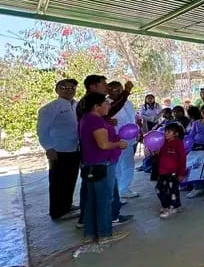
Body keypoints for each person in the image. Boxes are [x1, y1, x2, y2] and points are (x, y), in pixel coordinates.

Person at [78, 93, 130, 245]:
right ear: (96, 106)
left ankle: (90, 233)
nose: (108, 106)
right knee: (104, 200)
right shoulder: (95, 121)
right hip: (102, 164)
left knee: (92, 199)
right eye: (106, 104)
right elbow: (103, 145)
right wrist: (119, 144)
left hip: (92, 163)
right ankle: (105, 233)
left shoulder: (86, 119)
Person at [37, 78, 81, 221]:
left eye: (72, 87)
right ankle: (57, 211)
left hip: (74, 148)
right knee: (57, 181)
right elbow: (42, 130)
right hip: (58, 150)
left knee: (71, 178)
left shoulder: (77, 105)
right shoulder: (50, 108)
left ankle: (67, 205)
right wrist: (48, 147)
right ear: (57, 90)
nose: (69, 90)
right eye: (64, 87)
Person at [107, 81, 139, 200]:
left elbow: (132, 119)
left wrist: (136, 132)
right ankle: (116, 194)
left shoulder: (128, 103)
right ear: (107, 91)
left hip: (130, 138)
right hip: (115, 138)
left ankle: (124, 189)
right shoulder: (107, 104)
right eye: (113, 90)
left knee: (129, 164)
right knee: (117, 166)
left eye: (119, 90)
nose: (117, 92)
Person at [155, 123, 187, 218]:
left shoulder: (178, 143)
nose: (165, 133)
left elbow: (182, 159)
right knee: (159, 189)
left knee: (172, 191)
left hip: (173, 172)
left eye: (169, 131)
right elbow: (161, 156)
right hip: (162, 171)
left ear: (176, 133)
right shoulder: (163, 142)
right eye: (165, 131)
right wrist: (157, 153)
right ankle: (166, 205)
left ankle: (172, 207)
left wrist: (182, 173)